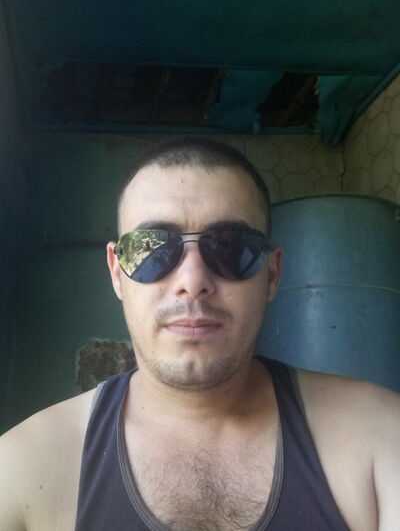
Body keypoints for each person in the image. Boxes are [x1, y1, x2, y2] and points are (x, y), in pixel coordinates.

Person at [0, 136, 399, 531]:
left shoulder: (379, 435)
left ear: (273, 273)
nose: (192, 281)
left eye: (230, 247)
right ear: (117, 273)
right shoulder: (25, 468)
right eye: (152, 249)